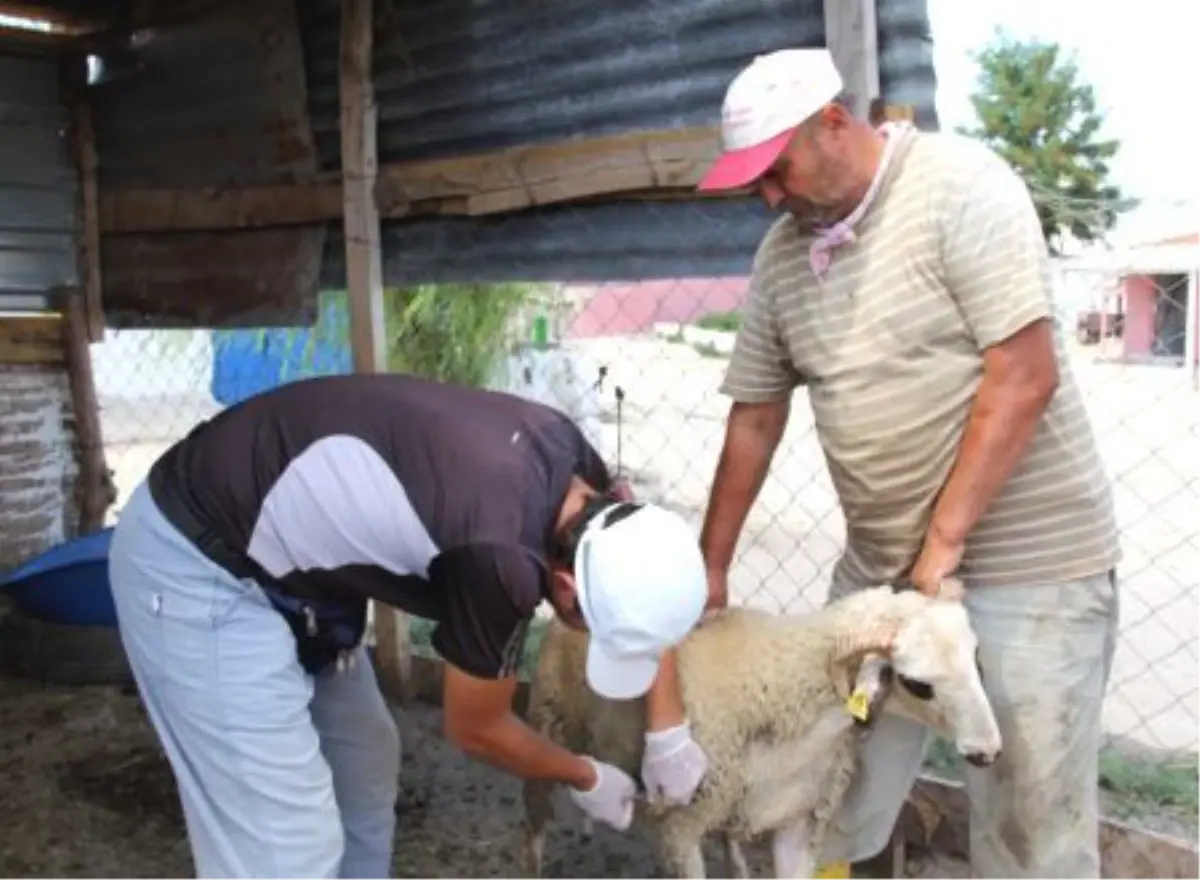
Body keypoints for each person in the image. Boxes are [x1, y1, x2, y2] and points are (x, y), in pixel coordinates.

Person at [694, 47, 1121, 879]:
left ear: (833, 123)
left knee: (1030, 832)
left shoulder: (960, 187)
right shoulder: (783, 257)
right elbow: (755, 417)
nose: (769, 198)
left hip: (1031, 567)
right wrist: (712, 568)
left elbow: (1024, 374)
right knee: (826, 790)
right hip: (881, 576)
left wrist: (941, 552)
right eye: (756, 185)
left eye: (776, 172)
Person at [107, 372, 712, 880]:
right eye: (588, 624)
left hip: (294, 577)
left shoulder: (576, 467)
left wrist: (667, 727)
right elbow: (477, 728)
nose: (583, 634)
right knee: (285, 847)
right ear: (565, 588)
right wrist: (585, 775)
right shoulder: (501, 558)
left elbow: (635, 595)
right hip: (199, 561)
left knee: (365, 762)